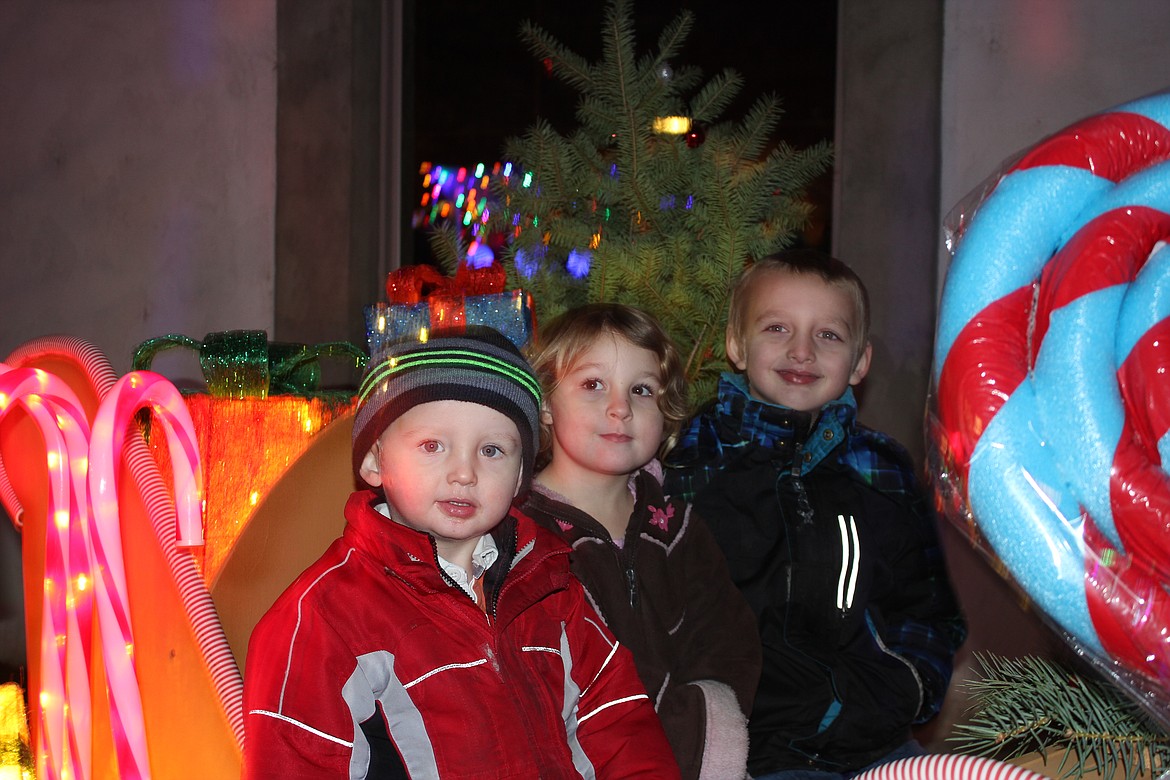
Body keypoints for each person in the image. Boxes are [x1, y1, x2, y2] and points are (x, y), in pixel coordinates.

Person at [242, 326, 681, 779]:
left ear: (519, 480)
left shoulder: (552, 587)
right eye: (433, 446)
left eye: (492, 450)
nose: (464, 473)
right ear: (374, 459)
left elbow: (619, 724)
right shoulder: (321, 617)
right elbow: (293, 760)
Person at [663, 250, 966, 779]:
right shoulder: (688, 458)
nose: (801, 351)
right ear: (737, 345)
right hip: (752, 753)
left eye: (828, 335)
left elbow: (928, 604)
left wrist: (910, 686)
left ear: (860, 361)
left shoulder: (883, 467)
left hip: (875, 739)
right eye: (777, 327)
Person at [520, 302, 761, 780]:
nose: (620, 408)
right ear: (545, 403)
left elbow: (728, 638)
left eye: (641, 390)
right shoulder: (522, 533)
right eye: (593, 385)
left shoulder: (676, 525)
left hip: (691, 752)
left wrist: (702, 720)